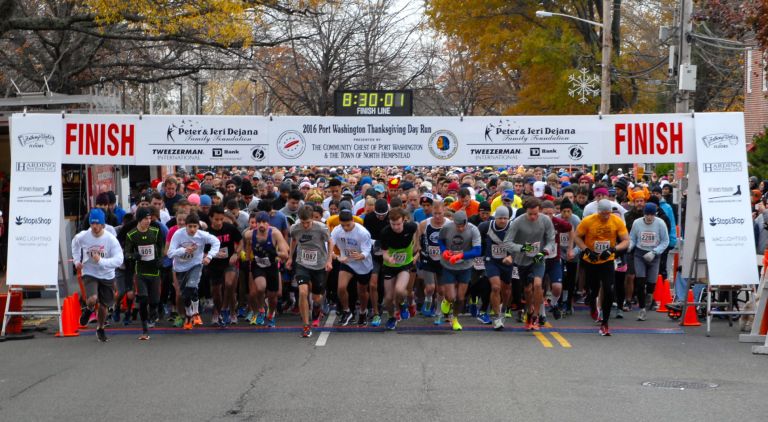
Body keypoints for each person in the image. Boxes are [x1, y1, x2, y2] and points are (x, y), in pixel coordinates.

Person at [574, 199, 630, 336]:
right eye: (603, 214)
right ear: (598, 211)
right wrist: (586, 250)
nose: (606, 216)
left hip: (607, 260)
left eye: (608, 214)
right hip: (591, 260)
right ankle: (593, 304)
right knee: (593, 289)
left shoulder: (616, 221)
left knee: (609, 289)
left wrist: (612, 250)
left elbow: (626, 241)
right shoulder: (588, 220)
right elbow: (577, 237)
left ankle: (605, 323)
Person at [503, 198, 556, 331]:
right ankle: (529, 312)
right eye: (530, 214)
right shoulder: (518, 222)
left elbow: (551, 239)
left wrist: (545, 251)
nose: (533, 217)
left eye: (536, 214)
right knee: (527, 290)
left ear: (539, 210)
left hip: (538, 257)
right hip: (522, 259)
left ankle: (536, 316)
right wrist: (522, 248)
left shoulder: (545, 220)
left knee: (538, 285)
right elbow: (507, 242)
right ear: (526, 211)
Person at [73, 209, 124, 342]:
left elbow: (119, 260)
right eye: (92, 224)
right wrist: (77, 260)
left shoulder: (110, 239)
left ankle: (100, 328)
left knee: (103, 306)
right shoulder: (83, 236)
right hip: (89, 272)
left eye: (97, 224)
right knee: (92, 298)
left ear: (103, 224)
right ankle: (89, 309)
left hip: (107, 274)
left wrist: (101, 261)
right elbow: (75, 243)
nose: (94, 227)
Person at [167, 213, 221, 330]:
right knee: (184, 295)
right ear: (185, 226)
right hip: (180, 268)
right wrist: (184, 250)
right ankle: (188, 314)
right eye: (190, 226)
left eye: (194, 226)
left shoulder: (202, 235)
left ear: (198, 226)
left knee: (192, 286)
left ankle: (196, 313)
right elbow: (170, 253)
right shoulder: (178, 234)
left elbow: (216, 242)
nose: (192, 229)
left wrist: (209, 256)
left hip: (195, 264)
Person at [287, 205, 333, 338]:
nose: (305, 225)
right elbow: (294, 240)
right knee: (302, 292)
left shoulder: (321, 228)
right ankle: (306, 326)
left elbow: (330, 242)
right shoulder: (295, 228)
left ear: (312, 218)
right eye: (303, 222)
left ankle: (317, 308)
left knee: (316, 298)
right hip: (302, 264)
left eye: (308, 222)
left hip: (319, 265)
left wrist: (329, 260)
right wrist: (290, 257)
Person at [124, 207, 165, 340]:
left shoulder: (155, 231)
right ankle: (144, 328)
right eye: (144, 219)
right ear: (139, 219)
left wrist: (161, 260)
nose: (148, 221)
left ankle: (153, 312)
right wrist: (134, 256)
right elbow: (127, 254)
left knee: (154, 301)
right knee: (143, 299)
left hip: (154, 271)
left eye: (149, 218)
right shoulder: (131, 235)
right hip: (140, 271)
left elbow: (161, 247)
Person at [244, 211, 290, 327]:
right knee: (260, 288)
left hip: (272, 266)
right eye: (259, 222)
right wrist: (248, 255)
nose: (261, 225)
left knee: (273, 296)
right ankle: (261, 309)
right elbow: (246, 243)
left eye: (264, 222)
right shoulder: (249, 234)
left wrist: (275, 253)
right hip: (258, 264)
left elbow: (285, 254)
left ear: (268, 223)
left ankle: (271, 314)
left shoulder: (275, 234)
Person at [438, 210, 482, 331]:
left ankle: (455, 318)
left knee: (460, 297)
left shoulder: (473, 230)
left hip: (465, 266)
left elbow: (477, 251)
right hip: (448, 265)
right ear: (454, 222)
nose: (461, 228)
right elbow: (440, 240)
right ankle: (446, 301)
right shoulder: (447, 227)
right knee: (451, 296)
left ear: (467, 222)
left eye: (463, 225)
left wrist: (462, 255)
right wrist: (444, 251)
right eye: (458, 226)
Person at [331, 209, 373, 326]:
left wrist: (361, 255)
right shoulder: (337, 230)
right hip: (347, 262)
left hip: (363, 264)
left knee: (362, 291)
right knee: (341, 287)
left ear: (353, 220)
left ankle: (363, 312)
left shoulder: (362, 232)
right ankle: (347, 311)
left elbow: (367, 250)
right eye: (342, 225)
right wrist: (336, 257)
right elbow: (329, 245)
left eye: (348, 225)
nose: (345, 228)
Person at [379, 208, 420, 330]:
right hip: (390, 266)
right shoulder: (385, 233)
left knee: (400, 290)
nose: (396, 227)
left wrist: (416, 243)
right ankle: (392, 317)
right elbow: (384, 253)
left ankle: (402, 304)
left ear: (404, 221)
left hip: (404, 264)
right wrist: (388, 259)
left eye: (398, 224)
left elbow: (417, 229)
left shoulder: (410, 227)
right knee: (388, 298)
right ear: (389, 222)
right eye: (393, 224)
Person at [628, 203, 669, 321]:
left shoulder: (660, 223)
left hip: (654, 256)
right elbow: (633, 238)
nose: (649, 217)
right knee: (640, 282)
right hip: (640, 254)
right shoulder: (637, 223)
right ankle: (642, 309)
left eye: (651, 215)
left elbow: (665, 241)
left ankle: (650, 294)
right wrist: (630, 246)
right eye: (647, 214)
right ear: (644, 214)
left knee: (651, 282)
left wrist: (655, 252)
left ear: (655, 214)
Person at [205, 206, 243, 326]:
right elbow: (202, 249)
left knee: (229, 284)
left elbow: (241, 241)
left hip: (229, 262)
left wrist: (236, 254)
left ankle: (232, 312)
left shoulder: (229, 228)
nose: (219, 222)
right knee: (216, 291)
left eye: (221, 219)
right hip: (214, 265)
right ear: (211, 218)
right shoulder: (206, 232)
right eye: (216, 219)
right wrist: (206, 255)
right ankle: (217, 311)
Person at [478, 206, 512, 330]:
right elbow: (476, 238)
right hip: (491, 261)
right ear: (495, 217)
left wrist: (512, 257)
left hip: (508, 261)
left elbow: (520, 244)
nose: (503, 221)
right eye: (500, 218)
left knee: (506, 289)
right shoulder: (485, 226)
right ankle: (497, 317)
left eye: (505, 218)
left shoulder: (513, 227)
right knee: (496, 287)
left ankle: (503, 309)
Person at [416, 200, 447, 318]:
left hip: (443, 260)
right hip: (428, 258)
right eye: (435, 214)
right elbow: (417, 239)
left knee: (442, 290)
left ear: (444, 211)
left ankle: (438, 311)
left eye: (440, 213)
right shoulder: (424, 224)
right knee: (430, 288)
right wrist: (418, 249)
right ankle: (428, 298)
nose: (437, 216)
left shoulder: (449, 224)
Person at [363, 198, 391, 327]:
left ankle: (389, 309)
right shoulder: (368, 218)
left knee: (386, 285)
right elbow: (364, 237)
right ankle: (375, 312)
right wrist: (375, 242)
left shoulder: (392, 217)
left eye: (383, 215)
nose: (380, 217)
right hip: (373, 254)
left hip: (388, 254)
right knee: (373, 284)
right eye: (378, 215)